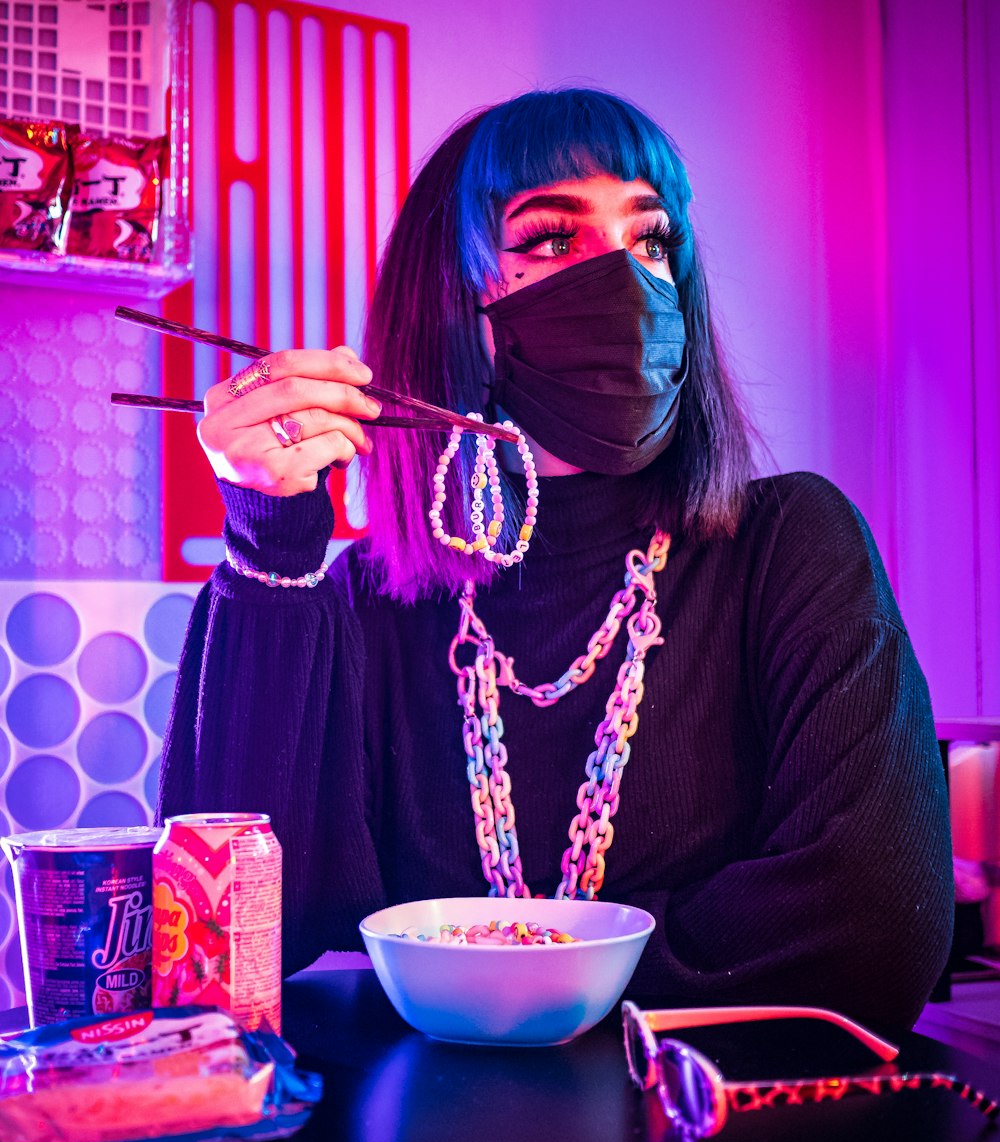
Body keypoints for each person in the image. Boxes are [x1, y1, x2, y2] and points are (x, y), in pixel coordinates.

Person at [159, 87, 953, 1035]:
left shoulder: (793, 547)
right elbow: (222, 942)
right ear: (461, 303)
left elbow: (873, 930)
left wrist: (513, 987)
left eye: (651, 241)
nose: (622, 277)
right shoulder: (369, 600)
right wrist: (269, 542)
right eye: (549, 238)